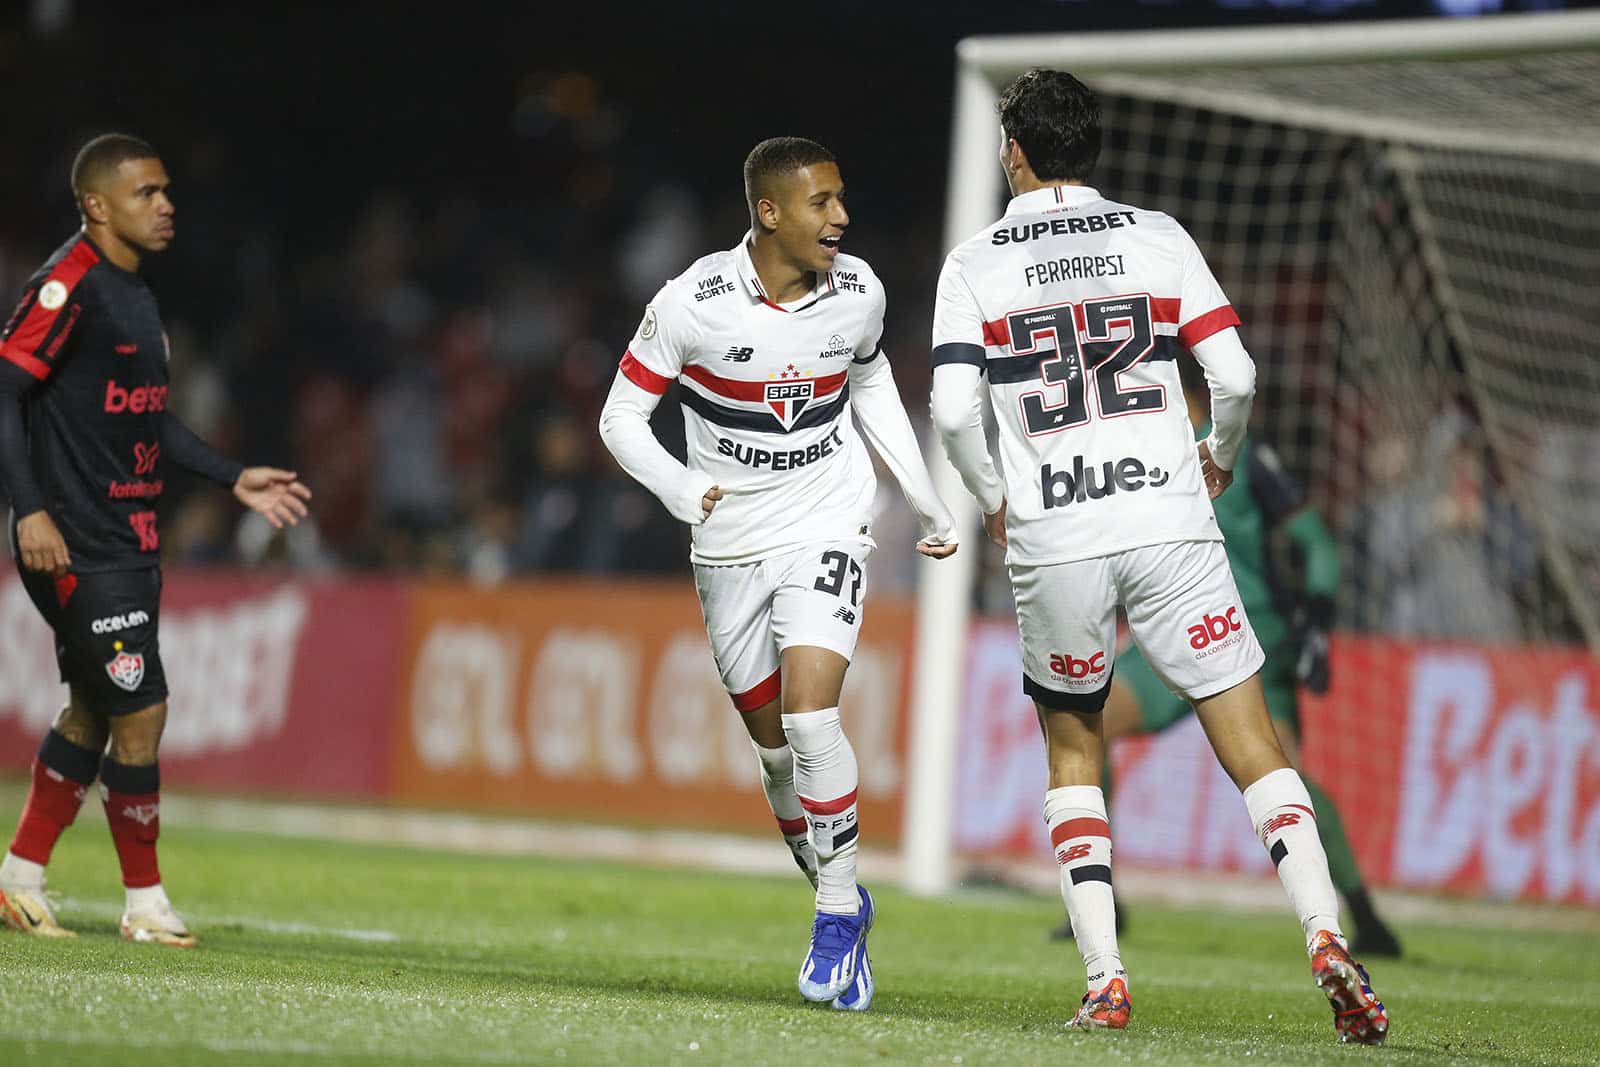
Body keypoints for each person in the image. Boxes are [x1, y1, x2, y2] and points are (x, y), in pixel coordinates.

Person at [929, 70, 1388, 1043]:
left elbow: (947, 408)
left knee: (1072, 746)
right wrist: (1216, 453)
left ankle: (1104, 977)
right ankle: (1323, 933)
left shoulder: (974, 261)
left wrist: (991, 496)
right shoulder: (1157, 235)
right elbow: (1234, 370)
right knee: (1255, 740)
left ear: (1012, 149)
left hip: (1055, 528)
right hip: (1170, 516)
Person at [599, 137, 956, 1013]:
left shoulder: (859, 290)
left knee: (810, 712)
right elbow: (619, 416)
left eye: (841, 198)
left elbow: (869, 382)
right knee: (773, 751)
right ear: (769, 213)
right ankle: (840, 891)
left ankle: (837, 914)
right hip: (728, 540)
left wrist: (927, 494)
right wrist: (683, 486)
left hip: (828, 514)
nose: (841, 216)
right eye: (822, 202)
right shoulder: (695, 303)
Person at [0, 134, 311, 947]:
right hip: (73, 536)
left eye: (167, 190)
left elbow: (146, 416)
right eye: (145, 193)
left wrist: (230, 474)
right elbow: (4, 392)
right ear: (97, 205)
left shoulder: (133, 294)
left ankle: (19, 878)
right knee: (143, 707)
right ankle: (146, 902)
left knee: (94, 712)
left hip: (128, 535)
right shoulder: (68, 284)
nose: (165, 204)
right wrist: (26, 507)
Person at [1047, 355, 1402, 958]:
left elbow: (1314, 542)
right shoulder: (1126, 456)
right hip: (1171, 626)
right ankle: (1103, 899)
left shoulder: (1239, 452)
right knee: (1089, 728)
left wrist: (1315, 622)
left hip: (1254, 632)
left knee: (1278, 771)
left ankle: (1361, 914)